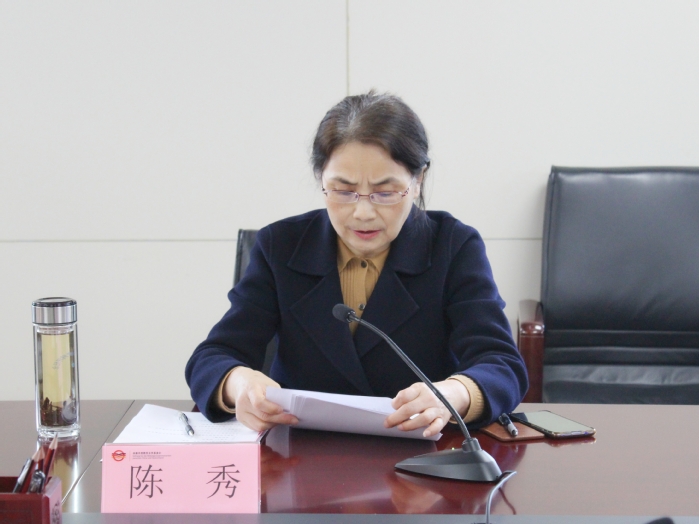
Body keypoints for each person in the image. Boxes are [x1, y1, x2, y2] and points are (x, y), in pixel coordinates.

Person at [185, 91, 528, 438]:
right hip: (301, 451)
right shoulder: (280, 246)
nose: (363, 212)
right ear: (321, 179)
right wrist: (238, 383)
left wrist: (455, 394)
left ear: (418, 180)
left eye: (385, 193)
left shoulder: (453, 247)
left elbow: (502, 364)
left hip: (423, 451)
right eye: (343, 191)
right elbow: (213, 356)